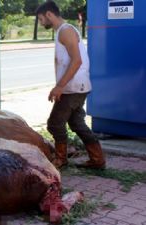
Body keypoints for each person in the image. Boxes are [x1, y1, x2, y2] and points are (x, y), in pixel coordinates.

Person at [36, 1, 105, 169]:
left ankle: (61, 159)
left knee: (55, 123)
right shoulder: (63, 30)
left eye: (40, 19)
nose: (40, 22)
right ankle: (97, 159)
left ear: (49, 15)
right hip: (76, 86)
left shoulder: (65, 31)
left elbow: (77, 61)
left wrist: (59, 86)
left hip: (73, 88)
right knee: (76, 123)